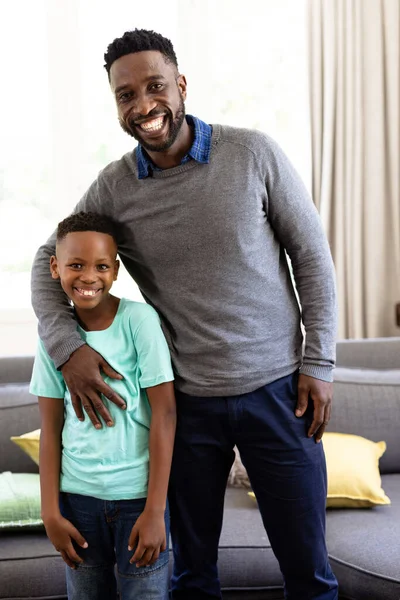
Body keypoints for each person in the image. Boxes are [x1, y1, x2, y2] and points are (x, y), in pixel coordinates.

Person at [31, 29, 339, 600]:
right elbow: (49, 261)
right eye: (126, 95)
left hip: (279, 392)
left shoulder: (252, 153)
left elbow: (313, 260)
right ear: (116, 106)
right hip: (186, 405)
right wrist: (67, 349)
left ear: (181, 85)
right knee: (192, 577)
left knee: (309, 572)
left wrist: (319, 361)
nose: (144, 105)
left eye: (155, 86)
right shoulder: (114, 188)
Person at [30, 211, 176, 600]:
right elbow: (51, 430)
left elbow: (165, 413)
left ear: (116, 270)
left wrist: (154, 511)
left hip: (138, 501)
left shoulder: (140, 321)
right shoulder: (53, 339)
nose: (88, 276)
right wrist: (50, 513)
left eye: (100, 266)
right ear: (54, 267)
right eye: (75, 265)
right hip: (78, 503)